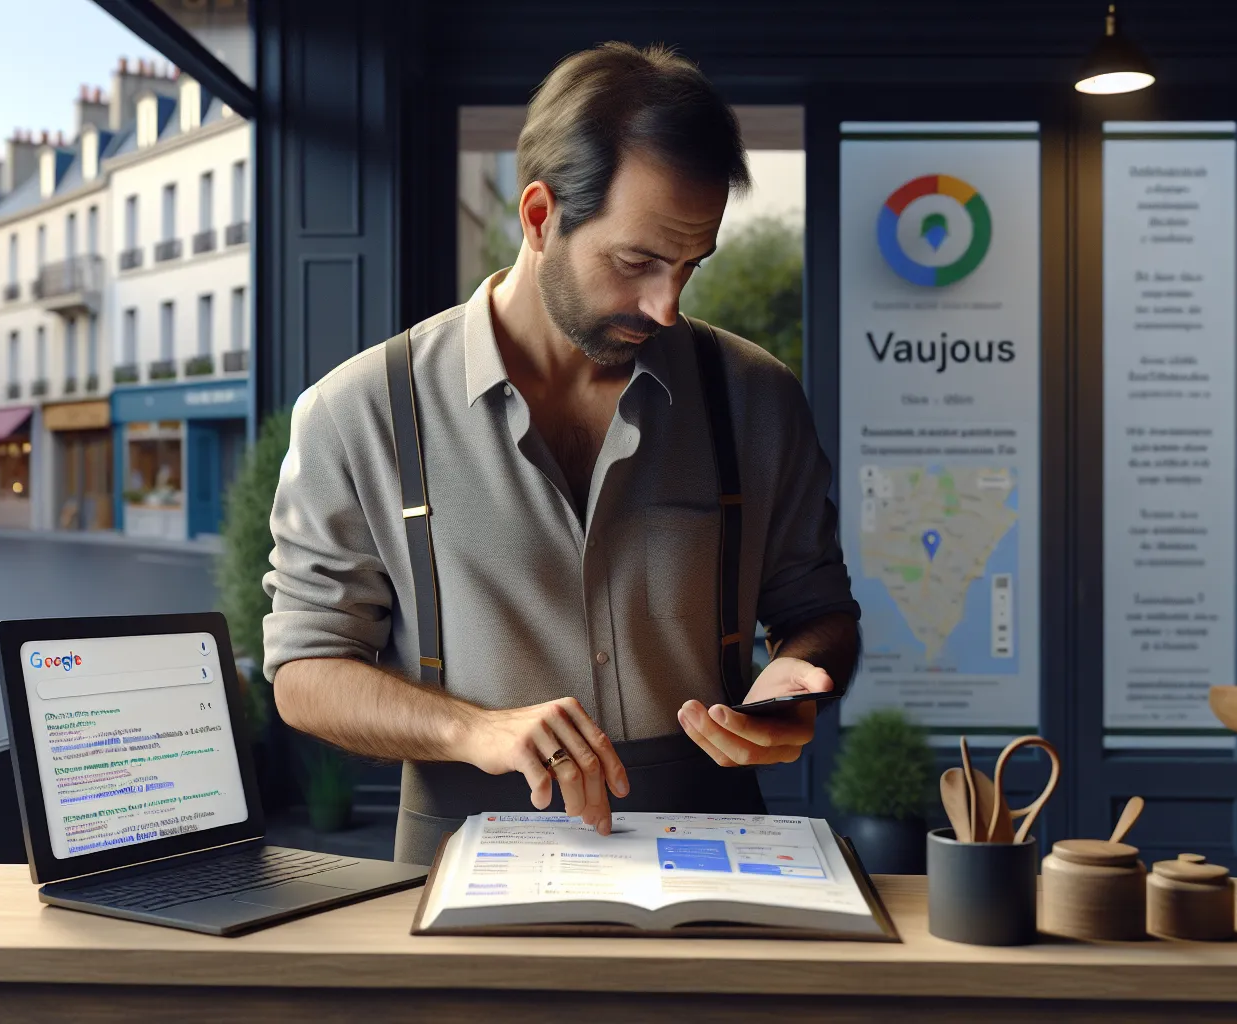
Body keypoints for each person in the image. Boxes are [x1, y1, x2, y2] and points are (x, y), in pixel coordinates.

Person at [262, 42, 860, 865]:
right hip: (459, 850)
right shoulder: (356, 410)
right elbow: (304, 670)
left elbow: (820, 611)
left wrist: (802, 680)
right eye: (637, 261)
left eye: (690, 264)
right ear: (540, 216)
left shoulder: (756, 395)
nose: (667, 303)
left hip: (716, 841)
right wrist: (472, 729)